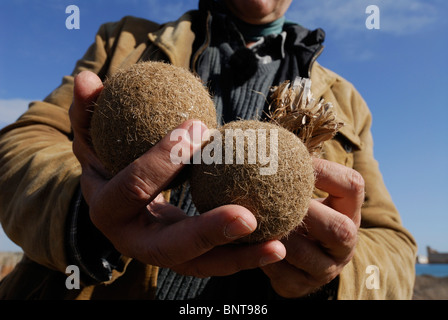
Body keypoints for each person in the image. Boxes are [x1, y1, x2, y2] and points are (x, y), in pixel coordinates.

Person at [0, 0, 417, 300]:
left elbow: (393, 245)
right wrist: (88, 211)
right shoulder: (125, 41)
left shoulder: (345, 100)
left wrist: (332, 276)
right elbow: (23, 143)